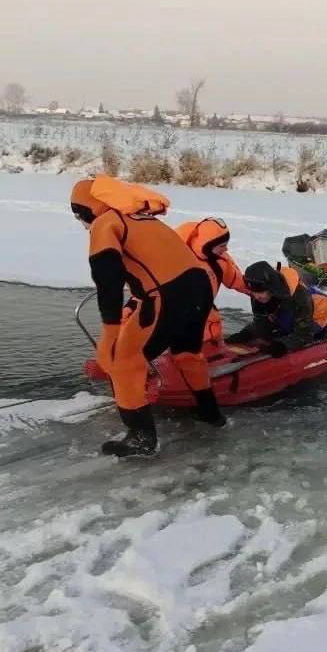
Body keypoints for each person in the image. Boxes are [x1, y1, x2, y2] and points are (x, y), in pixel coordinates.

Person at [71, 176, 226, 457]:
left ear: (88, 210)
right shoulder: (143, 218)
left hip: (166, 295)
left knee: (123, 363)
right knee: (188, 354)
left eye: (79, 216)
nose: (82, 225)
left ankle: (142, 439)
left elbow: (108, 281)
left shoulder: (106, 224)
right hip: (199, 287)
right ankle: (210, 414)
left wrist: (110, 333)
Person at [174, 217, 249, 352]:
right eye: (222, 245)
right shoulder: (179, 258)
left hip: (208, 317)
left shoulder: (221, 261)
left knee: (210, 334)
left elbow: (238, 281)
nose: (226, 248)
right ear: (207, 244)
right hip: (180, 317)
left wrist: (260, 290)